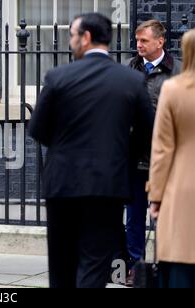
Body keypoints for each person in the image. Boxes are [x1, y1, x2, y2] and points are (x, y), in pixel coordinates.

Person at [28, 13, 154, 288]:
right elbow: (148, 135)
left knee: (61, 263)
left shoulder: (58, 77)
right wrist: (120, 156)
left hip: (62, 183)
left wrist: (64, 147)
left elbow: (37, 129)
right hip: (107, 184)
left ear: (85, 38)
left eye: (72, 35)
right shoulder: (131, 80)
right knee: (95, 263)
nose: (71, 41)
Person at [124, 20, 181, 281]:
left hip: (166, 159)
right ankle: (135, 268)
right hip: (135, 159)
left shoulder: (177, 72)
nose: (139, 45)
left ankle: (165, 266)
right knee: (134, 217)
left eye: (144, 40)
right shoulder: (130, 69)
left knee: (166, 217)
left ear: (160, 42)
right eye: (137, 40)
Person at [147, 29, 195, 288]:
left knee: (180, 265)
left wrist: (155, 195)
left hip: (183, 191)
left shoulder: (174, 90)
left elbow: (162, 149)